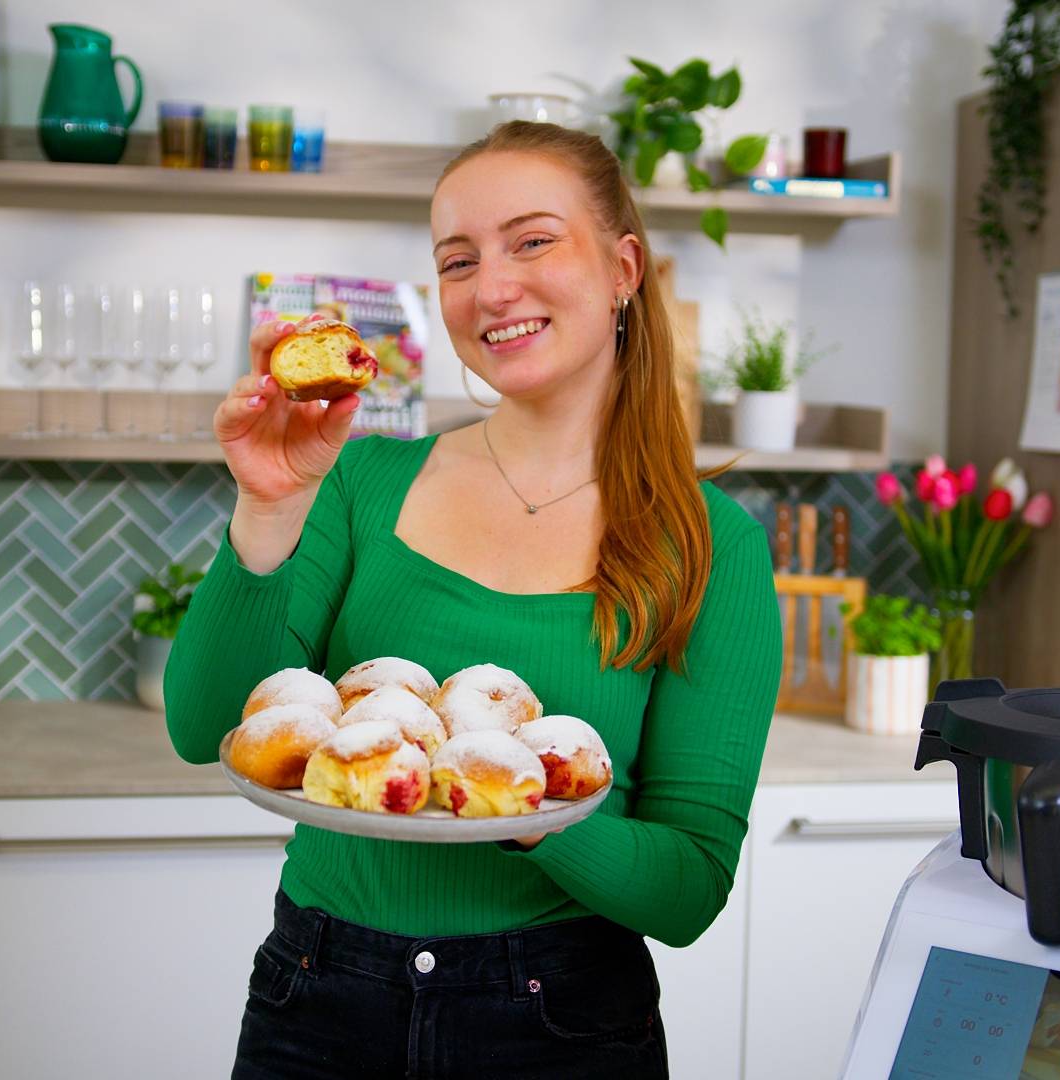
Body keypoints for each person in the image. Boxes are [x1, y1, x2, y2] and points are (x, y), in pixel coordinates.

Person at [164, 120, 782, 1079]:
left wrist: (515, 805)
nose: (491, 288)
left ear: (624, 267)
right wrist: (266, 505)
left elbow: (689, 888)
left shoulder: (712, 548)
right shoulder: (360, 482)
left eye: (532, 241)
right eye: (458, 260)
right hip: (318, 996)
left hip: (559, 1022)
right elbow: (206, 725)